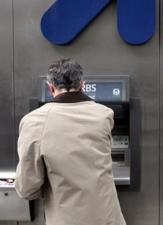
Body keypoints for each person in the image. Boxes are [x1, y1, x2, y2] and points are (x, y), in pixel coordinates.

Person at [15, 58, 126, 225]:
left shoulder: (34, 121)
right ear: (82, 84)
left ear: (50, 87)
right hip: (107, 219)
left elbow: (27, 188)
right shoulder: (104, 115)